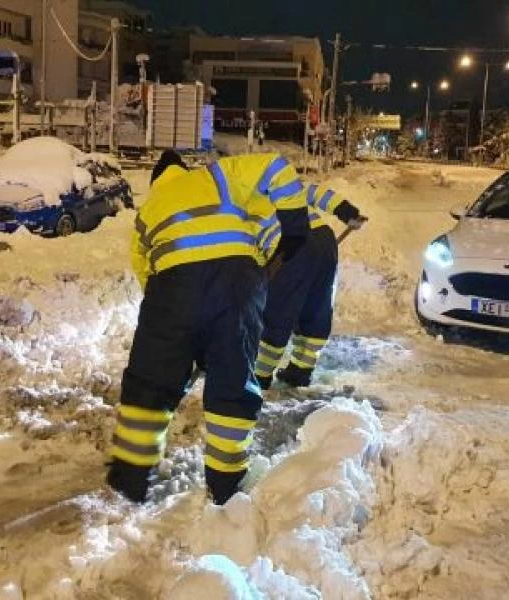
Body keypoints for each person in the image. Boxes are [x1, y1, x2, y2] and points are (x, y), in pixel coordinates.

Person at [108, 150, 310, 505]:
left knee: (150, 383)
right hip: (236, 284)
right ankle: (226, 485)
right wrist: (293, 227)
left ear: (156, 181)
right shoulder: (218, 177)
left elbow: (145, 273)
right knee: (232, 383)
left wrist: (178, 327)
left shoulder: (148, 211)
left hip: (172, 290)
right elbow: (276, 167)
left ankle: (130, 480)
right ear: (183, 170)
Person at [254, 183, 365, 389]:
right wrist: (347, 212)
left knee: (277, 311)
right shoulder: (277, 184)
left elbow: (252, 259)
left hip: (288, 246)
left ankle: (259, 376)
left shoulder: (240, 210)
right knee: (316, 308)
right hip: (324, 239)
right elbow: (317, 193)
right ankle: (300, 370)